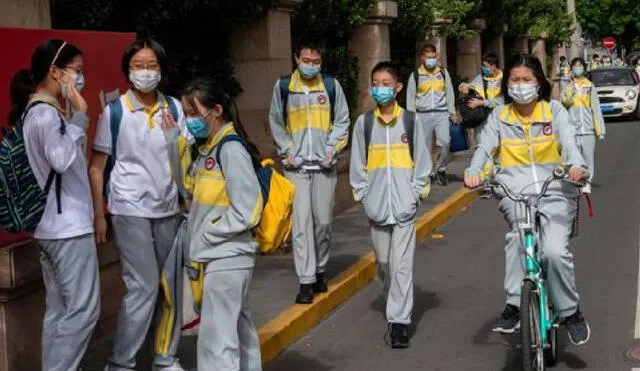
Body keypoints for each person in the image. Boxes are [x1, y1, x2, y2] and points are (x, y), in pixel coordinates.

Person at [464, 54, 591, 346]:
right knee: (517, 240)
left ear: (539, 82)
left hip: (555, 188)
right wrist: (474, 172)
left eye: (526, 80)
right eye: (515, 80)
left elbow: (570, 145)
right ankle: (513, 304)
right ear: (507, 84)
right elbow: (485, 150)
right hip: (514, 190)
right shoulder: (499, 116)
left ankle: (571, 311)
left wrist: (576, 167)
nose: (520, 86)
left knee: (554, 251)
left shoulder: (554, 111)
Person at [89, 38, 188, 371]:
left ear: (161, 69)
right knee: (143, 284)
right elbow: (97, 166)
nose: (146, 72)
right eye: (138, 66)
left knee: (169, 287)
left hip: (168, 208)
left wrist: (175, 137)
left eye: (152, 66)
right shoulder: (115, 111)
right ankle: (120, 363)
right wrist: (99, 215)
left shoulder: (174, 108)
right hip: (129, 208)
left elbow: (182, 159)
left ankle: (164, 356)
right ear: (128, 71)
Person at [9, 39, 99, 371]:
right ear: (55, 71)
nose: (80, 78)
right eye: (77, 71)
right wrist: (81, 118)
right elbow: (61, 160)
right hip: (67, 228)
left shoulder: (38, 111)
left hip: (51, 227)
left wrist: (76, 116)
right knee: (82, 312)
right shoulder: (45, 114)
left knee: (60, 312)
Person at [162, 77, 263, 371]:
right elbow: (188, 188)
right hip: (224, 256)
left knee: (217, 342)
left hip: (226, 256)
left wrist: (208, 231)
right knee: (239, 335)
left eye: (195, 113)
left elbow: (248, 209)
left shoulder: (229, 149)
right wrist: (172, 140)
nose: (190, 121)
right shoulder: (209, 149)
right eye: (187, 114)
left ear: (217, 110)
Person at [350, 62, 431, 349]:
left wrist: (415, 193)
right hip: (377, 207)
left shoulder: (410, 121)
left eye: (386, 82)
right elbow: (357, 165)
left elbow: (422, 162)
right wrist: (363, 196)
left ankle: (399, 323)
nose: (380, 88)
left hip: (405, 208)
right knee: (384, 264)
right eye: (376, 82)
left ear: (397, 88)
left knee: (402, 266)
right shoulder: (364, 124)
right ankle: (394, 299)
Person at [268, 40, 350, 304]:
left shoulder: (331, 86)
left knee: (323, 222)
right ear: (296, 58)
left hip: (325, 165)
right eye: (306, 60)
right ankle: (306, 280)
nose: (310, 65)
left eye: (316, 62)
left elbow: (342, 121)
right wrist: (287, 150)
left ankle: (320, 270)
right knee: (301, 224)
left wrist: (332, 148)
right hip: (297, 167)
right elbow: (276, 122)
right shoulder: (284, 88)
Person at [405, 43, 457, 186]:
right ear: (422, 58)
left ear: (437, 57)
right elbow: (410, 98)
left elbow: (449, 92)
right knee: (424, 147)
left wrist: (452, 112)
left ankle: (441, 169)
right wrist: (412, 118)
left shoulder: (443, 73)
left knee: (445, 142)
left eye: (433, 57)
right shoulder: (415, 76)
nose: (431, 60)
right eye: (428, 57)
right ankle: (428, 174)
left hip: (441, 114)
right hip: (423, 115)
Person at [561, 57, 605, 194]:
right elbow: (564, 104)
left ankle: (587, 182)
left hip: (587, 129)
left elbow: (595, 109)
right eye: (575, 66)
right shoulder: (567, 86)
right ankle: (576, 181)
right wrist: (570, 90)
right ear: (572, 69)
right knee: (574, 157)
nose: (577, 68)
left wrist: (600, 130)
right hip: (572, 129)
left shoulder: (589, 86)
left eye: (580, 66)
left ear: (584, 69)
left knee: (588, 158)